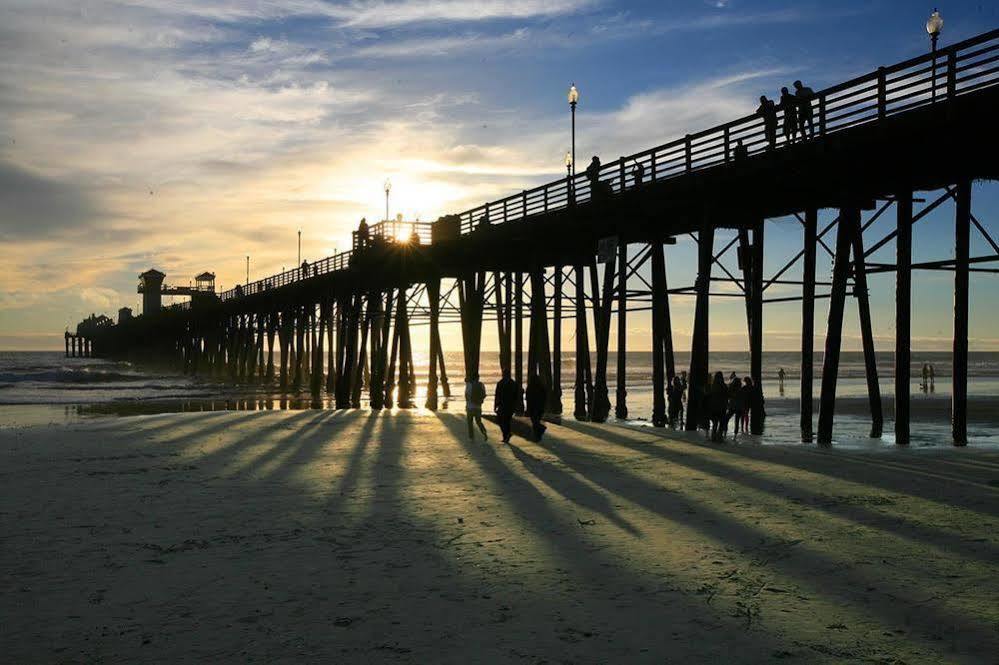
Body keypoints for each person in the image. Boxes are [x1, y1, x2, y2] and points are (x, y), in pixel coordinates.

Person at [494, 369, 519, 443]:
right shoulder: (502, 383)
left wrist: (515, 406)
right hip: (504, 405)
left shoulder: (512, 383)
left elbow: (516, 396)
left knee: (505, 421)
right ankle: (507, 434)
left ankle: (506, 436)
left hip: (508, 405)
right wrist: (495, 405)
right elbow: (497, 395)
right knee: (501, 420)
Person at [465, 374, 487, 441]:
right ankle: (484, 432)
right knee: (478, 421)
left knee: (470, 422)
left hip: (470, 407)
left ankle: (471, 437)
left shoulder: (469, 385)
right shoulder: (481, 385)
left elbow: (466, 395)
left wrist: (467, 404)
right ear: (478, 378)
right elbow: (484, 394)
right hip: (478, 407)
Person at [525, 374, 547, 441]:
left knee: (535, 421)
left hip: (533, 407)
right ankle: (537, 436)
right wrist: (544, 407)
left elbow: (528, 398)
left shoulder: (530, 387)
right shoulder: (541, 387)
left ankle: (540, 431)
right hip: (540, 407)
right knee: (536, 421)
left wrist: (527, 408)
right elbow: (544, 397)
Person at [708, 371, 729, 442]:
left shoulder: (712, 386)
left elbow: (710, 396)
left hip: (716, 407)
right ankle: (718, 437)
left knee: (716, 423)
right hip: (720, 407)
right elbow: (727, 395)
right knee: (719, 423)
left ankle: (715, 437)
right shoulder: (723, 386)